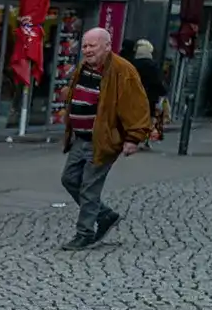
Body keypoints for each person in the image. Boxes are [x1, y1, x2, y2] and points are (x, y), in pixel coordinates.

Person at [57, 27, 150, 251]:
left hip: (104, 138)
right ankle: (105, 215)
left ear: (107, 46)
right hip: (81, 137)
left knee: (89, 187)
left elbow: (136, 105)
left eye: (93, 46)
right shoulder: (84, 67)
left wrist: (133, 138)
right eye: (85, 46)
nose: (87, 50)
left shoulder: (122, 70)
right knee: (69, 179)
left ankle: (85, 233)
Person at [129, 39, 167, 148]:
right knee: (148, 118)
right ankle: (145, 139)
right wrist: (163, 92)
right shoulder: (152, 65)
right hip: (149, 96)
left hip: (133, 95)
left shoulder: (131, 64)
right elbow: (157, 81)